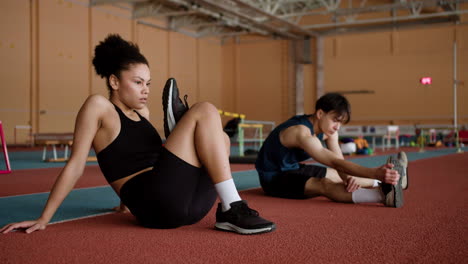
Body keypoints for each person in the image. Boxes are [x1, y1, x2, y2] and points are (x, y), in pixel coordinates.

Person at [1, 34, 275, 235]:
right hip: (155, 203)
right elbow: (75, 165)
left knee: (222, 139)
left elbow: (130, 158)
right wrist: (43, 218)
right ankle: (232, 204)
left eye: (148, 84)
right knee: (205, 110)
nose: (145, 90)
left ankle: (226, 210)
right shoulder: (99, 107)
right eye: (138, 82)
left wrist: (123, 204)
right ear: (114, 81)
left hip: (188, 209)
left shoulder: (142, 114)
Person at [255, 93, 408, 207]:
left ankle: (395, 182)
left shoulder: (329, 132)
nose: (337, 127)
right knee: (324, 183)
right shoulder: (301, 133)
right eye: (335, 120)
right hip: (273, 178)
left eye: (340, 123)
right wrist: (375, 171)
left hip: (293, 169)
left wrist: (348, 178)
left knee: (337, 175)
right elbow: (335, 162)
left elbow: (340, 163)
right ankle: (381, 195)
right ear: (320, 114)